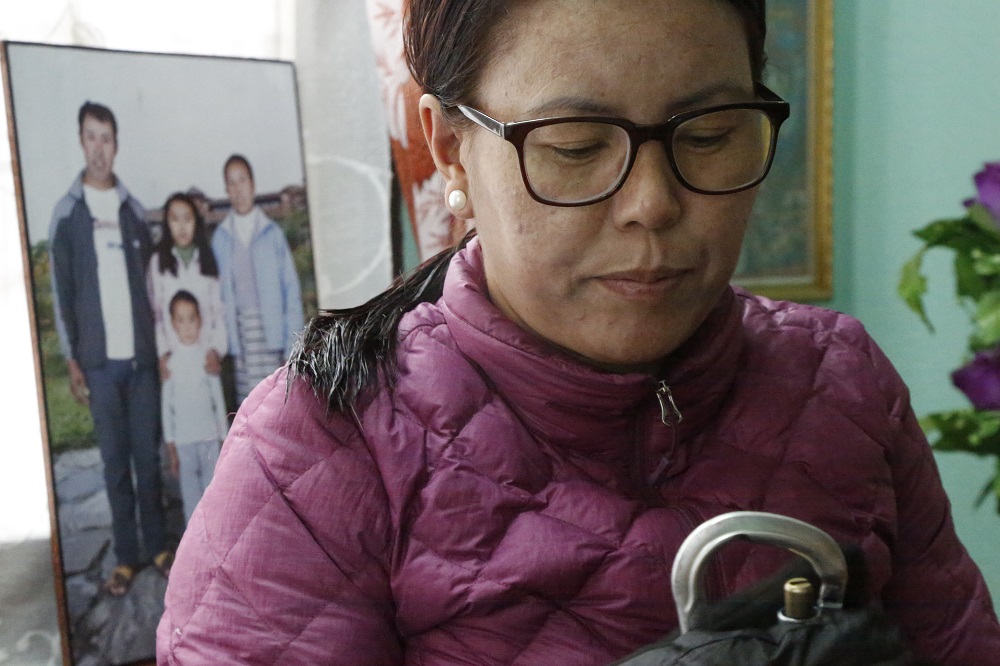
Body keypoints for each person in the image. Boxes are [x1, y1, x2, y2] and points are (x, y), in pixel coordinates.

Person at [158, 1, 1000, 663]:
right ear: (449, 150)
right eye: (574, 147)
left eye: (708, 136)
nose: (653, 204)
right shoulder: (319, 449)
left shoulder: (840, 383)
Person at [50, 101, 170, 597]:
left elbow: (154, 287)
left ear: (116, 145)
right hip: (99, 365)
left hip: (140, 361)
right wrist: (72, 359)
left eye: (106, 138)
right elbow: (61, 293)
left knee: (147, 459)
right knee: (115, 465)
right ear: (81, 142)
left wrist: (161, 348)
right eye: (91, 137)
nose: (99, 148)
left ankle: (158, 546)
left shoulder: (133, 211)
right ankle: (125, 557)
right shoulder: (67, 214)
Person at [210, 154, 302, 406]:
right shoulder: (220, 238)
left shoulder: (273, 234)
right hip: (242, 336)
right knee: (250, 407)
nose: (238, 189)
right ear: (226, 190)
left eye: (242, 180)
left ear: (252, 184)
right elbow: (216, 296)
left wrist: (291, 346)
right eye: (231, 183)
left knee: (277, 404)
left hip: (272, 334)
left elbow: (291, 292)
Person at [160, 291, 228, 524]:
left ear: (200, 321)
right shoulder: (170, 364)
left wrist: (224, 437)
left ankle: (216, 535)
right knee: (191, 500)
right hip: (184, 443)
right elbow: (167, 410)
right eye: (181, 320)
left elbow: (218, 401)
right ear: (173, 325)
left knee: (214, 494)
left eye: (192, 319)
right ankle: (196, 539)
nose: (188, 327)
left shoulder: (207, 359)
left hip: (209, 439)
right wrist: (171, 447)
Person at [147, 192, 227, 380]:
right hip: (174, 359)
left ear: (196, 222)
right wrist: (163, 353)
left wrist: (216, 350)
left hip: (206, 357)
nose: (182, 226)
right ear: (167, 224)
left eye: (187, 219)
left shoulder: (208, 259)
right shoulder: (158, 262)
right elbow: (156, 314)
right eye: (175, 219)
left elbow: (219, 312)